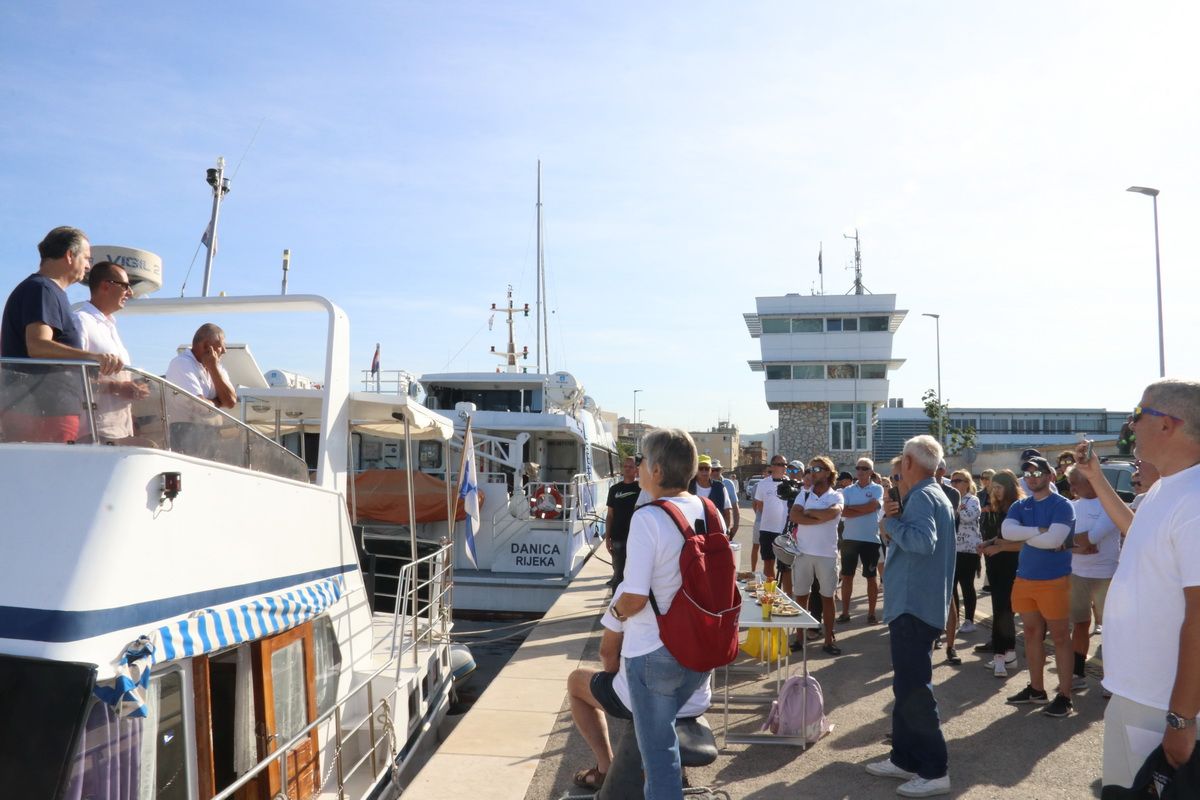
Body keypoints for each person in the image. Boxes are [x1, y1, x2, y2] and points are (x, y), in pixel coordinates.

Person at [1076, 381, 1200, 787]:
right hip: (1140, 696)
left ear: (1167, 424)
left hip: (1162, 705)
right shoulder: (1167, 487)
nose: (1130, 424)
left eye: (1138, 414)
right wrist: (1096, 477)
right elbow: (1138, 530)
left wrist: (1181, 718)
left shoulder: (1195, 500)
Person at [607, 428, 721, 799]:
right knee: (663, 747)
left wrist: (614, 610)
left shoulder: (648, 518)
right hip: (702, 647)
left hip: (654, 652)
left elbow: (635, 598)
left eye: (641, 461)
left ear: (655, 470)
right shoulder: (709, 510)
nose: (637, 467)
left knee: (658, 757)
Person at [866, 435, 955, 798]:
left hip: (914, 607)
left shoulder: (921, 496)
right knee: (906, 688)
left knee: (915, 690)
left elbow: (922, 542)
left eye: (901, 461)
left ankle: (935, 770)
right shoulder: (935, 494)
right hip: (919, 604)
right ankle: (904, 757)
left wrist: (891, 526)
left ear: (908, 462)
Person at [567, 587, 711, 791]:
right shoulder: (703, 588)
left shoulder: (630, 591)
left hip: (648, 698)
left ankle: (605, 767)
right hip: (696, 698)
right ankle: (676, 771)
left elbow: (608, 657)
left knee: (576, 681)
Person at [1, 226, 122, 443]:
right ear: (69, 255)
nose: (88, 266)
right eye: (86, 258)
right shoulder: (42, 289)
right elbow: (38, 345)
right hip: (44, 410)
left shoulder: (44, 290)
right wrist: (94, 357)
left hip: (38, 406)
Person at [1002, 455, 1077, 717]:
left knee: (1059, 638)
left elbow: (1055, 539)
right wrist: (1039, 531)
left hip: (1055, 580)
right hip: (1025, 579)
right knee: (1032, 634)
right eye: (1028, 474)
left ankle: (1065, 696)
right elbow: (1007, 532)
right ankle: (1036, 689)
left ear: (1050, 476)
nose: (1032, 478)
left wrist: (1030, 533)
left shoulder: (1062, 505)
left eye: (1037, 473)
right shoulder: (1020, 505)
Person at [74, 261, 151, 442]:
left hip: (120, 431)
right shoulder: (81, 321)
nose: (130, 293)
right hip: (93, 433)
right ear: (106, 286)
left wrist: (135, 388)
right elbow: (72, 377)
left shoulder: (111, 327)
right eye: (126, 286)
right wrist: (118, 387)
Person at [1064, 464, 1119, 694]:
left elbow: (1090, 538)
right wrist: (1075, 544)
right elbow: (1063, 540)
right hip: (1077, 574)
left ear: (1090, 480)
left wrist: (1072, 543)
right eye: (1071, 483)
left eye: (1075, 482)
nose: (1072, 487)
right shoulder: (1071, 506)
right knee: (1080, 624)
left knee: (1111, 629)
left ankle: (1112, 679)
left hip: (1106, 575)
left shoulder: (1111, 505)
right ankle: (1077, 673)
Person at [789, 455, 844, 655]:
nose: (813, 472)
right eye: (811, 469)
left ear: (828, 473)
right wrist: (816, 516)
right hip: (803, 553)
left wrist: (808, 514)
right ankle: (799, 639)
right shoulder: (804, 494)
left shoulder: (836, 496)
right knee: (801, 596)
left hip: (827, 555)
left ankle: (829, 640)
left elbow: (832, 513)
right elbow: (794, 516)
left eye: (818, 468)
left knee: (827, 598)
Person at [975, 470, 1024, 677]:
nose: (994, 491)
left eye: (998, 487)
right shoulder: (1001, 506)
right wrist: (989, 543)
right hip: (996, 563)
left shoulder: (1018, 507)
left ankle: (1000, 659)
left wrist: (1001, 546)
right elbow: (1001, 536)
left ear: (1009, 487)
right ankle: (1009, 655)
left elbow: (1021, 541)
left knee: (1003, 612)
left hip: (1010, 565)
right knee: (1004, 611)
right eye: (992, 487)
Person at [839, 456, 884, 625]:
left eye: (865, 468)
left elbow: (874, 507)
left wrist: (854, 509)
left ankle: (871, 613)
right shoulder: (848, 490)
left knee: (871, 577)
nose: (860, 471)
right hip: (850, 539)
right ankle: (844, 612)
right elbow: (844, 512)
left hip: (870, 540)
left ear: (871, 472)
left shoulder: (878, 488)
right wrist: (866, 508)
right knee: (847, 576)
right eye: (858, 468)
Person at [949, 470, 982, 635]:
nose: (953, 483)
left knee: (967, 585)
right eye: (952, 481)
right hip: (952, 548)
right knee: (951, 585)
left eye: (958, 480)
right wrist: (956, 507)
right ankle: (953, 619)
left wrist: (957, 508)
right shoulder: (952, 500)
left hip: (969, 549)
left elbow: (969, 516)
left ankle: (969, 620)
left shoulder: (972, 499)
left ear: (967, 483)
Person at [604, 456, 641, 588]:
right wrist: (607, 538)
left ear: (636, 470)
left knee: (633, 573)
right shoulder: (614, 489)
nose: (627, 469)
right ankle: (616, 602)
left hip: (636, 537)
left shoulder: (641, 490)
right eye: (625, 466)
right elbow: (610, 515)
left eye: (630, 467)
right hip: (617, 536)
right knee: (618, 573)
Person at [753, 455, 790, 581]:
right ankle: (770, 594)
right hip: (767, 529)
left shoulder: (791, 484)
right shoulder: (763, 484)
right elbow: (759, 505)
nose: (783, 467)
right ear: (772, 466)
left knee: (785, 567)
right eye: (780, 464)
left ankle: (786, 595)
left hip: (785, 531)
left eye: (785, 464)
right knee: (768, 562)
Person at [687, 455, 732, 532]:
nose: (704, 472)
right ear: (695, 470)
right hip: (692, 532)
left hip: (715, 531)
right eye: (701, 468)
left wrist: (727, 530)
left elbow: (727, 511)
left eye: (707, 468)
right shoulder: (688, 486)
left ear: (710, 470)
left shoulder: (720, 487)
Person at [711, 460, 740, 539]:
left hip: (725, 526)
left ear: (721, 470)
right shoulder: (705, 483)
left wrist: (735, 527)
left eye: (717, 470)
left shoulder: (729, 483)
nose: (714, 472)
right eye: (712, 470)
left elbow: (735, 506)